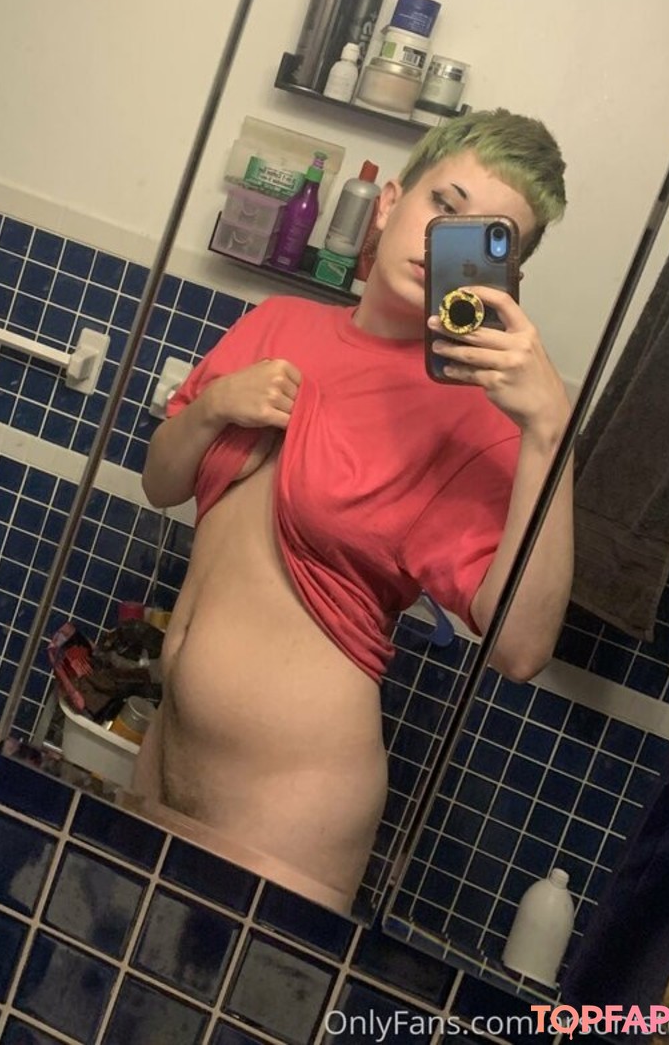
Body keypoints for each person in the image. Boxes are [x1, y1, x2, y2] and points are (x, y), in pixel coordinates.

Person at [133, 109, 574, 913]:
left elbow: (520, 649)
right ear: (390, 201)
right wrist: (215, 407)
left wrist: (550, 432)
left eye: (482, 235)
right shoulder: (278, 322)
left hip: (292, 806)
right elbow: (161, 482)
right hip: (164, 751)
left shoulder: (471, 419)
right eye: (443, 203)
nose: (442, 239)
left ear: (501, 273)